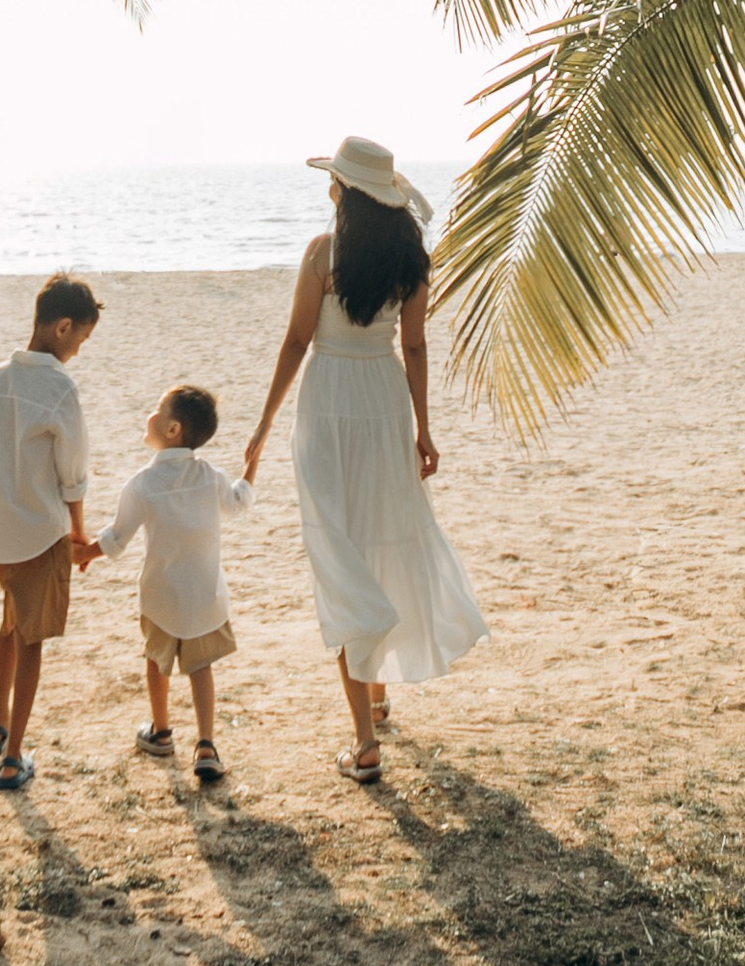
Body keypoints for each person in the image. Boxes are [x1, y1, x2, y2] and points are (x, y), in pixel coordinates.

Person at [243, 132, 486, 784]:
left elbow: (297, 341)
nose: (329, 190)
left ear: (347, 195)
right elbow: (416, 350)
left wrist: (264, 423)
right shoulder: (412, 260)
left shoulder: (323, 254)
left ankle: (365, 742)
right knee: (377, 542)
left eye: (335, 183)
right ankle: (376, 691)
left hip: (328, 403)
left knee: (340, 554)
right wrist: (423, 429)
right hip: (383, 402)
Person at [0, 276, 102, 792]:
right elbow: (73, 473)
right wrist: (79, 534)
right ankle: (14, 755)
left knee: (10, 624)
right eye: (81, 340)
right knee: (32, 640)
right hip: (40, 532)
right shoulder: (59, 387)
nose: (79, 351)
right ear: (63, 327)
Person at [100, 381, 252, 787]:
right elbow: (236, 502)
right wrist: (250, 468)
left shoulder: (142, 483)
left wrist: (82, 552)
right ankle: (205, 744)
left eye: (157, 409)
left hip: (161, 594)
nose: (150, 414)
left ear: (172, 430)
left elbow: (116, 537)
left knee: (157, 658)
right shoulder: (210, 475)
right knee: (200, 666)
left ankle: (162, 731)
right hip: (205, 595)